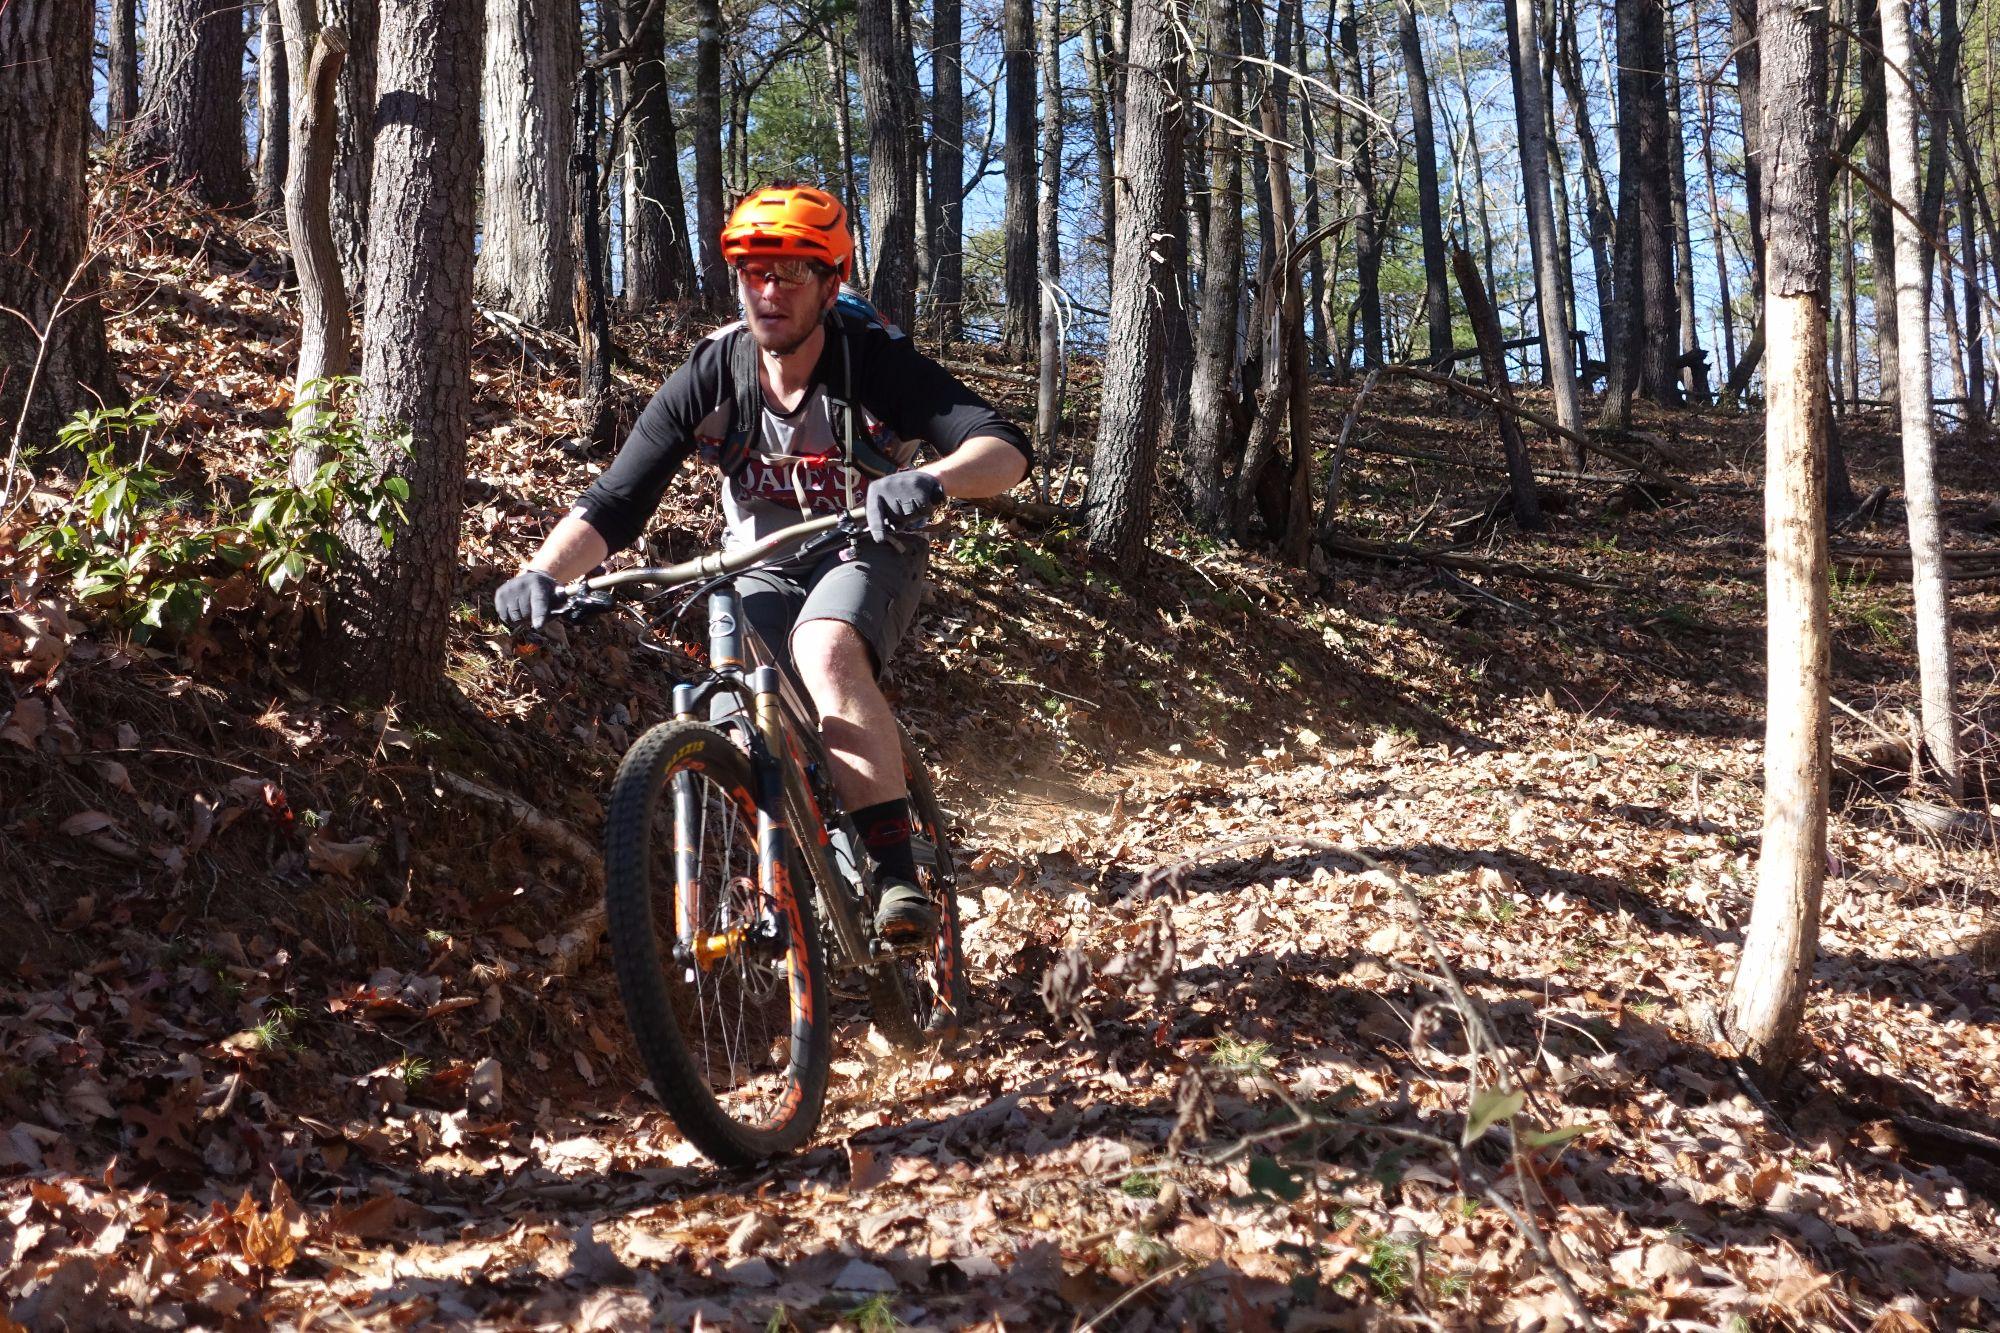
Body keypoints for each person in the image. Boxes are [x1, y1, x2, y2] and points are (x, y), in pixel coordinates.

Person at [493, 184, 1032, 944]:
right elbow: (617, 500)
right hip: (759, 561)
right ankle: (767, 880)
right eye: (754, 273)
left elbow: (1003, 446)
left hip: (869, 546)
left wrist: (933, 479)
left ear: (831, 283)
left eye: (790, 274)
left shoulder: (870, 359)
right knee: (733, 708)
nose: (769, 292)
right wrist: (543, 572)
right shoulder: (713, 373)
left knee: (824, 649)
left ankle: (895, 871)